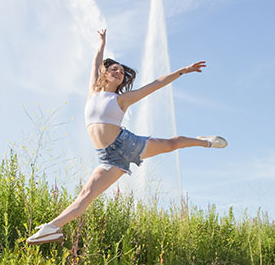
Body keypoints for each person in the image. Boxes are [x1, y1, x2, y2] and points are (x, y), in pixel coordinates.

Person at [26, 29, 227, 245]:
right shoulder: (93, 92)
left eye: (122, 72)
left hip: (126, 145)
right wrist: (102, 43)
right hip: (107, 159)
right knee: (85, 195)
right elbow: (95, 63)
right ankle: (51, 228)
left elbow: (156, 84)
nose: (119, 72)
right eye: (115, 69)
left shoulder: (122, 99)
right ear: (105, 73)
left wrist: (183, 71)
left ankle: (205, 141)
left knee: (172, 143)